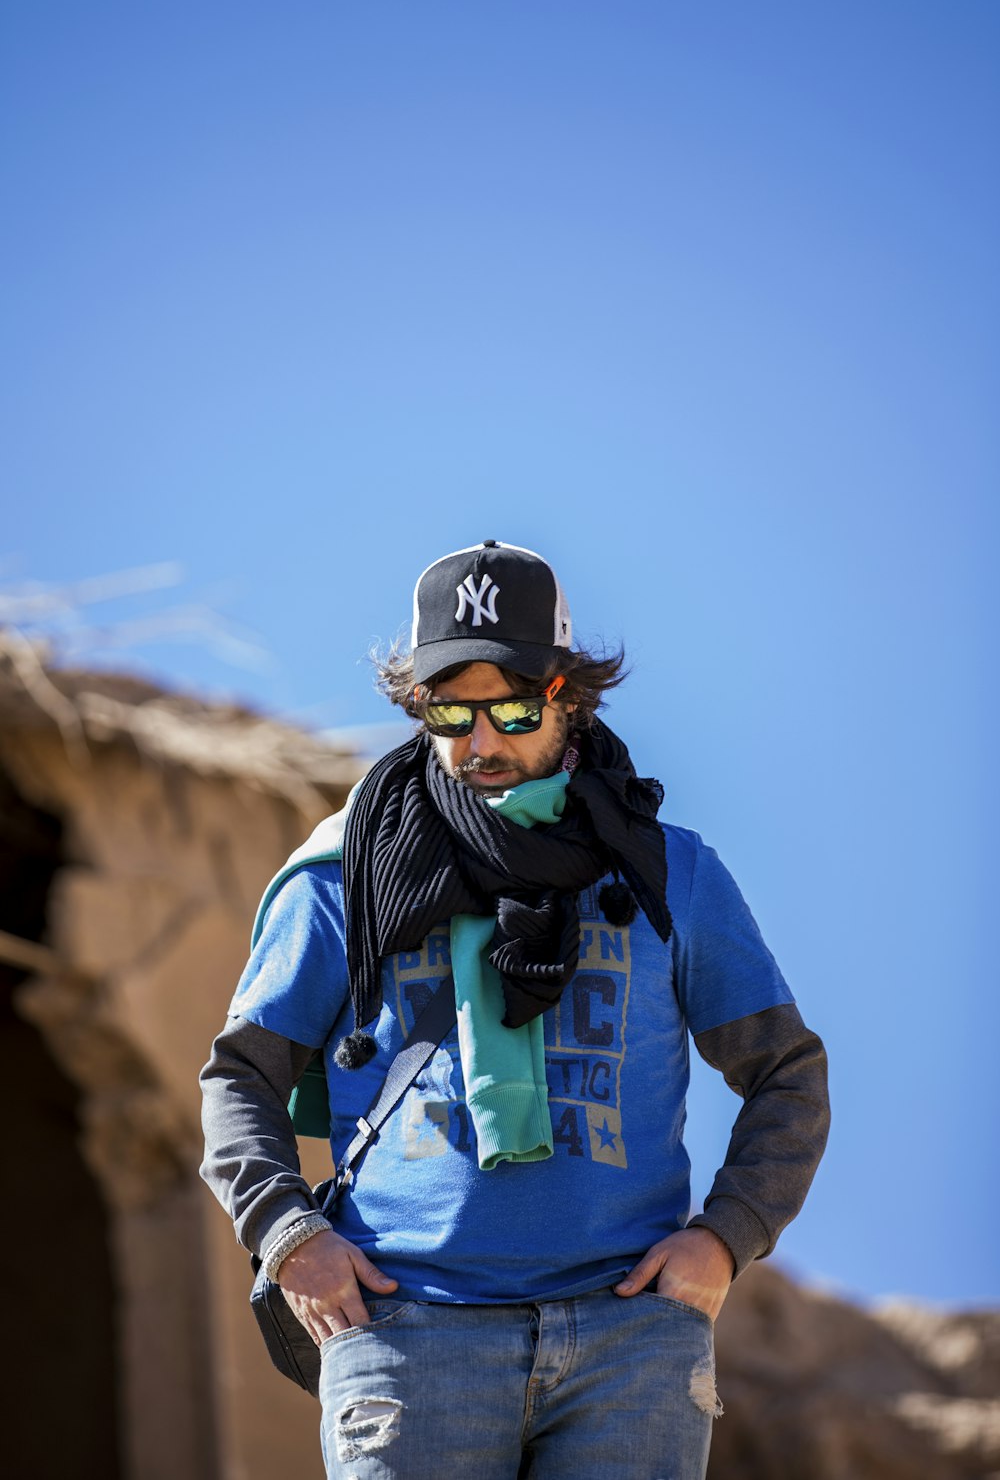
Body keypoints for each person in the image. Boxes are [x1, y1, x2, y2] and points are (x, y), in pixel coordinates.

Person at [200, 539, 830, 1480]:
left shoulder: (669, 873)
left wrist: (724, 1239)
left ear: (569, 695)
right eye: (451, 709)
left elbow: (787, 1075)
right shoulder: (342, 877)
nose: (481, 742)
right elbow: (239, 1078)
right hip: (408, 1335)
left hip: (631, 1344)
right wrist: (290, 1238)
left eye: (512, 707)